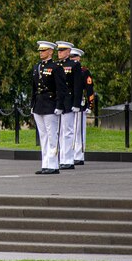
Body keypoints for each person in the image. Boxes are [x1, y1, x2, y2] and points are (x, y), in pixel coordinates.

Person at [31, 41, 66, 174]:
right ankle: (45, 164)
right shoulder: (37, 67)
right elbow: (33, 88)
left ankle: (53, 164)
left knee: (52, 136)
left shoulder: (56, 67)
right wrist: (32, 104)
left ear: (50, 51)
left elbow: (61, 89)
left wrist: (59, 105)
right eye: (40, 50)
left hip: (50, 104)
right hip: (39, 104)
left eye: (44, 50)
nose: (41, 52)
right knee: (43, 136)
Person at [54, 41, 83, 170]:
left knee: (68, 131)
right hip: (58, 101)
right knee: (59, 131)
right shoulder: (56, 65)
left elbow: (78, 86)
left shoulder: (74, 65)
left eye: (62, 50)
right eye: (59, 50)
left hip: (69, 101)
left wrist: (76, 103)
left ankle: (68, 159)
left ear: (68, 52)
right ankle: (61, 158)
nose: (59, 53)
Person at [69, 48, 95, 165]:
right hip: (69, 103)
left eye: (74, 57)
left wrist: (90, 105)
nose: (72, 59)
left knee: (78, 130)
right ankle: (70, 154)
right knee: (69, 130)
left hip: (80, 103)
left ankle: (79, 155)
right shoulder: (67, 70)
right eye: (70, 57)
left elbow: (89, 89)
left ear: (79, 58)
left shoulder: (84, 71)